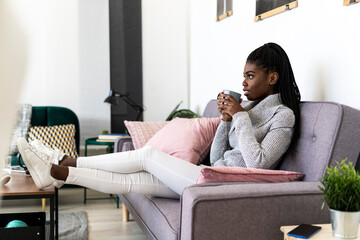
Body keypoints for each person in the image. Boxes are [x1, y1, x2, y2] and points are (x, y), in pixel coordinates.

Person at [17, 42, 301, 199]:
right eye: (244, 75)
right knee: (133, 182)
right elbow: (216, 158)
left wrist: (238, 116)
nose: (244, 82)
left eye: (250, 76)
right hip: (214, 176)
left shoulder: (283, 115)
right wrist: (226, 121)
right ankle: (56, 173)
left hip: (228, 187)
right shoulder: (247, 110)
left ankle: (68, 161)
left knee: (148, 156)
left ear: (273, 78)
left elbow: (257, 164)